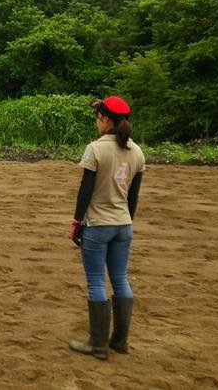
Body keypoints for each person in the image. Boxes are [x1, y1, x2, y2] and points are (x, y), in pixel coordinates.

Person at [68, 95, 145, 360]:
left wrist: (77, 222)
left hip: (98, 224)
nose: (96, 121)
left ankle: (98, 344)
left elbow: (85, 191)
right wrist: (126, 221)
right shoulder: (137, 152)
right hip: (123, 225)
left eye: (98, 117)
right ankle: (120, 342)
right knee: (121, 279)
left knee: (97, 281)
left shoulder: (95, 149)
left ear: (107, 120)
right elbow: (133, 197)